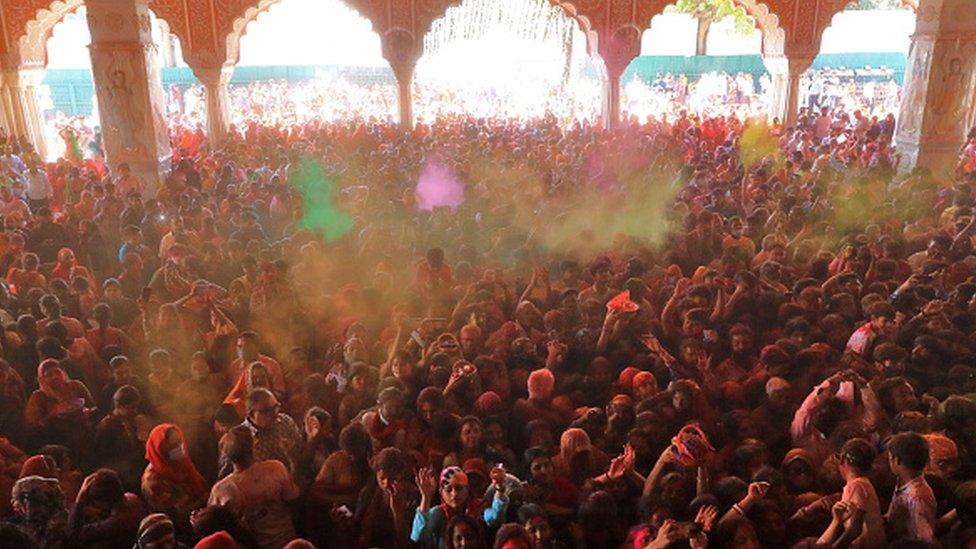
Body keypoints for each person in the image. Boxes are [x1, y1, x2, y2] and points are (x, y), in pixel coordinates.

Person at [209, 425, 300, 549]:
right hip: (286, 542)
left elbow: (213, 525)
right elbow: (293, 498)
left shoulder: (221, 490)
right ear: (253, 447)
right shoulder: (275, 468)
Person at [411, 465, 509, 548]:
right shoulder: (438, 514)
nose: (454, 494)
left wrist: (499, 487)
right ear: (441, 492)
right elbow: (419, 536)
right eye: (449, 489)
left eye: (459, 488)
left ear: (467, 489)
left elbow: (495, 519)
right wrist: (426, 497)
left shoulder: (478, 507)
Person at [817, 438, 885, 547]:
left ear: (843, 459)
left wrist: (835, 547)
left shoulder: (856, 486)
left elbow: (855, 527)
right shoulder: (864, 484)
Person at [141, 424, 209, 527]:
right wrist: (204, 499)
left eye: (179, 441)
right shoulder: (153, 483)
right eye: (173, 445)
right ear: (160, 449)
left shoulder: (179, 462)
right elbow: (176, 515)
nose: (179, 447)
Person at [885, 431, 936, 543]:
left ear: (897, 460)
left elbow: (925, 538)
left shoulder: (917, 497)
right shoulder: (901, 483)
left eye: (889, 458)